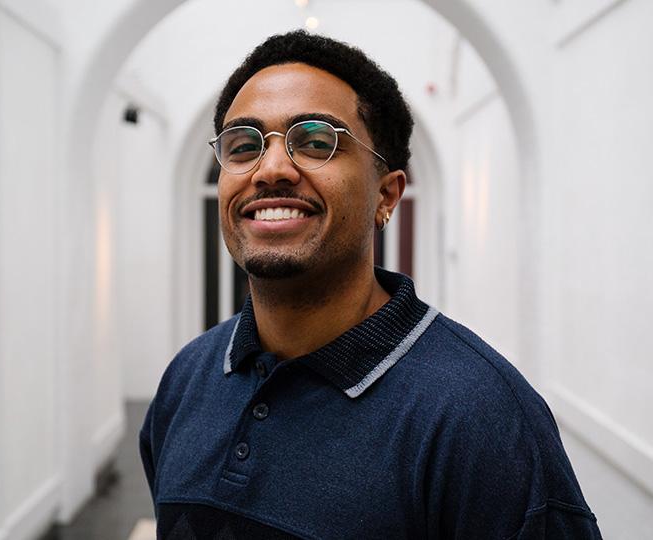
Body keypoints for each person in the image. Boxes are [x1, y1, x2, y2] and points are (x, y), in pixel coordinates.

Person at [140, 30, 602, 539]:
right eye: (244, 145)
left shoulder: (482, 423)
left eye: (316, 141)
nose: (270, 168)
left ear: (386, 194)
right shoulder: (186, 380)